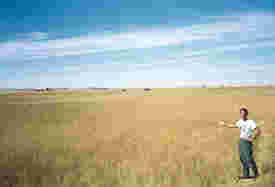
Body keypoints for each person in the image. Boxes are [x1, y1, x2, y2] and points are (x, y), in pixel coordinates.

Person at [222, 107, 261, 179]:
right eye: (241, 113)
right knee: (242, 158)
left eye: (244, 113)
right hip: (241, 141)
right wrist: (224, 124)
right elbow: (233, 126)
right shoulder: (240, 121)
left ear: (247, 114)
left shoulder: (251, 122)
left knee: (249, 158)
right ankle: (246, 175)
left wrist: (253, 138)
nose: (243, 115)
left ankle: (256, 174)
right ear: (240, 114)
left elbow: (258, 130)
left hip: (247, 142)